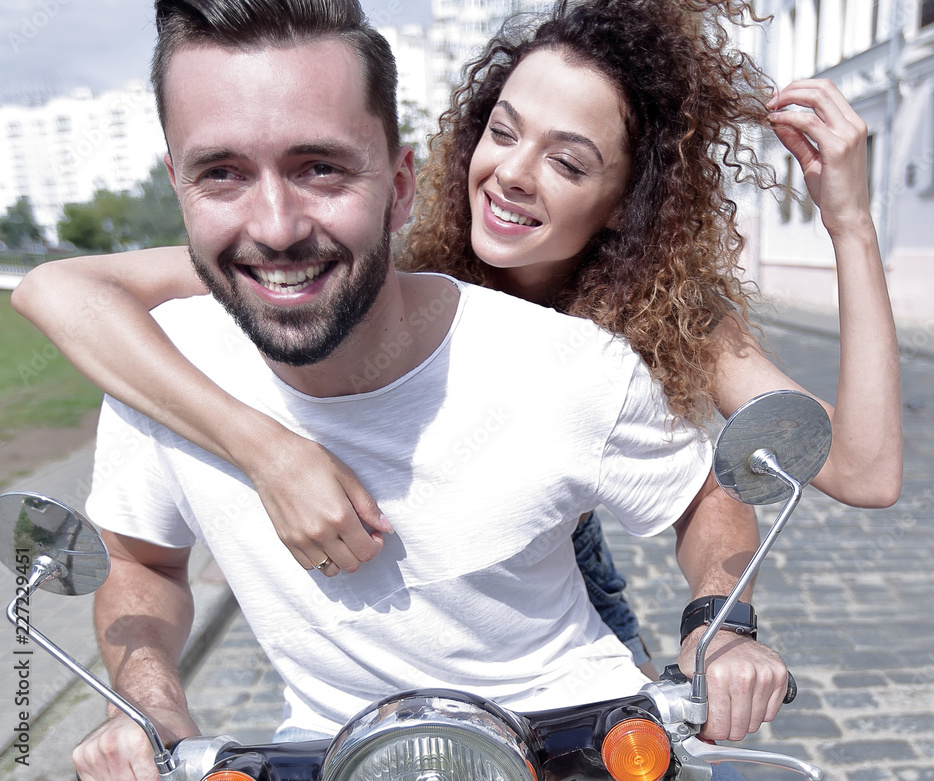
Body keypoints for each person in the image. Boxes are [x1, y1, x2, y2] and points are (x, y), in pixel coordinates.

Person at [12, 1, 794, 779]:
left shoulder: (570, 363)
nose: (277, 226)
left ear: (400, 184)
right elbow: (140, 561)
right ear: (177, 182)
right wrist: (144, 701)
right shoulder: (163, 372)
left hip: (577, 741)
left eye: (319, 167)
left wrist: (717, 624)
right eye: (222, 173)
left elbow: (704, 493)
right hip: (329, 753)